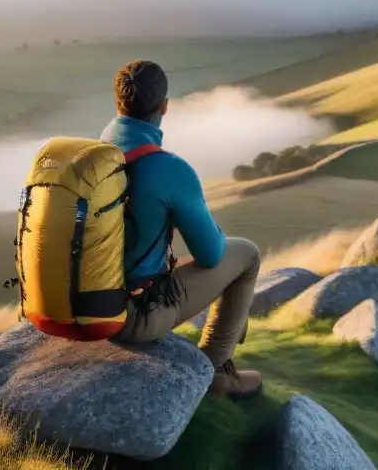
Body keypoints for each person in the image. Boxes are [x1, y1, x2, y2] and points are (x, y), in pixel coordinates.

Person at [100, 59, 263, 399]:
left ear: (118, 104)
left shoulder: (90, 157)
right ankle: (217, 371)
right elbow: (210, 254)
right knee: (245, 254)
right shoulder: (168, 168)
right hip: (131, 318)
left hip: (81, 306)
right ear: (164, 107)